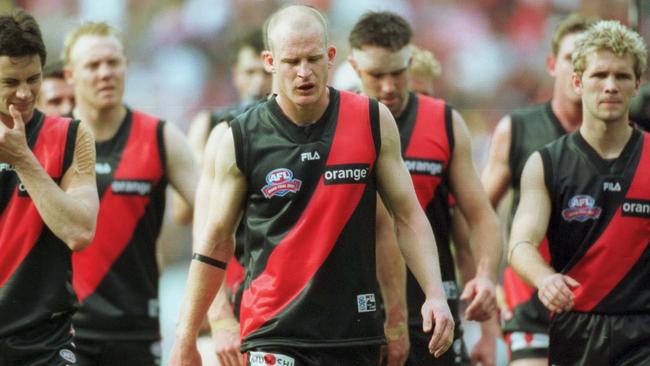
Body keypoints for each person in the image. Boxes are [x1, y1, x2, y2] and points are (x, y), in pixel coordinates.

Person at [170, 4, 455, 365]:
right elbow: (215, 241)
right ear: (270, 62)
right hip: (273, 331)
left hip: (353, 331)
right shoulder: (240, 138)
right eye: (291, 62)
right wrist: (187, 333)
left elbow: (407, 218)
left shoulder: (371, 120)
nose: (304, 73)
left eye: (313, 59)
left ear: (330, 56)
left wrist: (433, 294)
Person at [348, 11, 501, 366]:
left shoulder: (445, 122)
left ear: (411, 61)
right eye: (376, 75)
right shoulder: (337, 122)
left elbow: (481, 219)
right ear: (354, 67)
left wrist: (487, 280)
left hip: (434, 316)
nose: (388, 86)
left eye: (398, 73)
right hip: (359, 319)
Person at [509, 20, 650, 365]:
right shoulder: (547, 163)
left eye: (622, 76)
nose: (610, 86)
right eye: (599, 75)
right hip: (575, 329)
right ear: (577, 81)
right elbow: (520, 244)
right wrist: (544, 279)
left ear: (637, 85)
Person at [62, 21, 197, 366]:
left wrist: (218, 304)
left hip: (135, 328)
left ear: (126, 66)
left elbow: (217, 218)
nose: (105, 73)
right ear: (70, 75)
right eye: (92, 65)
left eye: (113, 62)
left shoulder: (160, 138)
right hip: (64, 332)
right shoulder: (52, 140)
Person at [481, 14, 593, 365]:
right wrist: (486, 277)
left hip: (601, 303)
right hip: (529, 301)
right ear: (552, 64)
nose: (580, 71)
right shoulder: (516, 128)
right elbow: (479, 214)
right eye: (571, 58)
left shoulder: (625, 134)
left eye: (589, 62)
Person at [0, 9, 99, 366]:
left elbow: (80, 230)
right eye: (11, 82)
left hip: (44, 344)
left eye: (34, 78)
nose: (25, 93)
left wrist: (24, 160)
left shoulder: (72, 135)